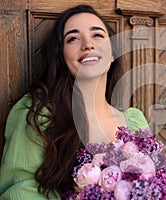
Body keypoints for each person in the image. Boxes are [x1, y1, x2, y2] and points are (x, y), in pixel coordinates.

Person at [0, 5, 148, 199]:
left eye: (97, 36)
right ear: (61, 56)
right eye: (73, 38)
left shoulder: (135, 121)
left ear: (112, 54)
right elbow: (19, 191)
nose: (88, 44)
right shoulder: (38, 114)